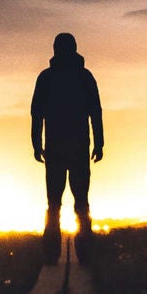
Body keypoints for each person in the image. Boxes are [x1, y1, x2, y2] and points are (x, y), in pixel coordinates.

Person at [30, 31, 103, 258]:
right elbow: (95, 113)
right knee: (80, 202)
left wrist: (36, 142)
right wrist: (99, 143)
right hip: (78, 146)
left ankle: (52, 253)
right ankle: (85, 252)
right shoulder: (85, 76)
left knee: (55, 203)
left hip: (56, 147)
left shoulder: (47, 77)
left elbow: (36, 114)